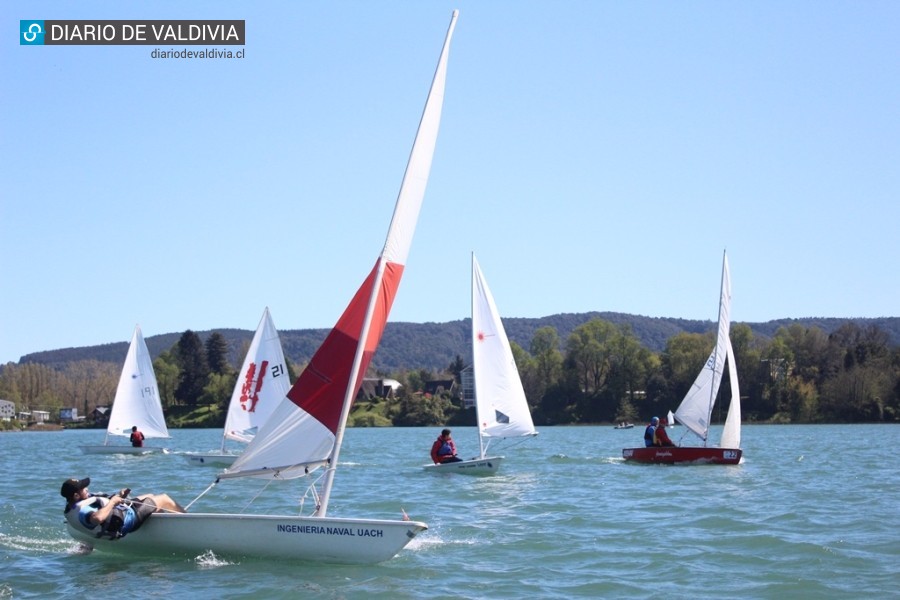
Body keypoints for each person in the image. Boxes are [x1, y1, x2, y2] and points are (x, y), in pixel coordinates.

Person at [61, 477, 185, 539]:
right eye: (83, 488)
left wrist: (119, 497)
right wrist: (113, 502)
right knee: (164, 498)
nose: (87, 489)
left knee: (150, 496)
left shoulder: (71, 507)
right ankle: (187, 523)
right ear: (76, 495)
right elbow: (97, 518)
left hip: (120, 513)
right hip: (128, 519)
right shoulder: (84, 511)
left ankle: (159, 530)